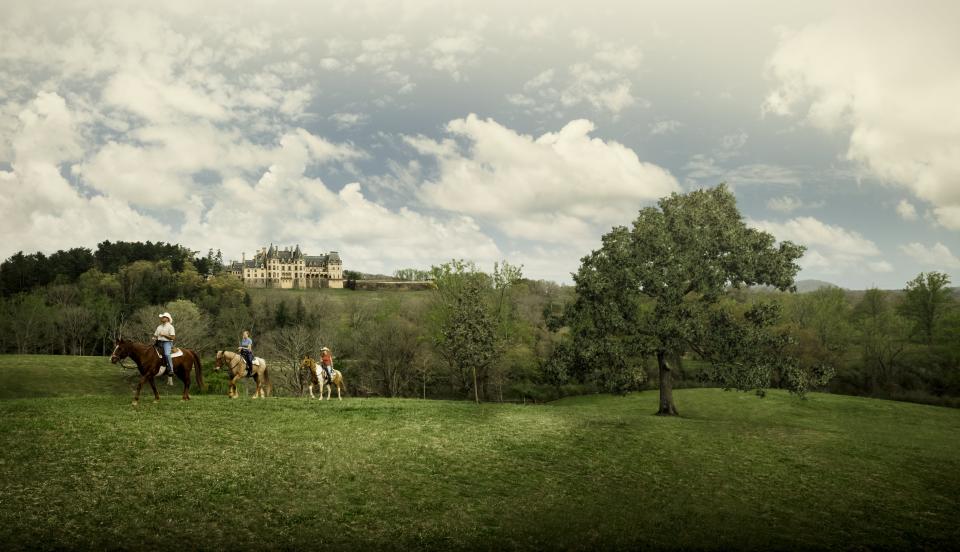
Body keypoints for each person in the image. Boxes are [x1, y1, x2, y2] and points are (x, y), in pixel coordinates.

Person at [153, 312, 176, 382]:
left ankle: (171, 370)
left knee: (166, 354)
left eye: (163, 317)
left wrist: (164, 335)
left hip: (167, 343)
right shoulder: (159, 327)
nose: (162, 318)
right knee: (151, 352)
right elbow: (156, 335)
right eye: (162, 317)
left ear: (167, 319)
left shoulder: (170, 327)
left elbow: (173, 337)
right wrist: (154, 337)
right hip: (159, 342)